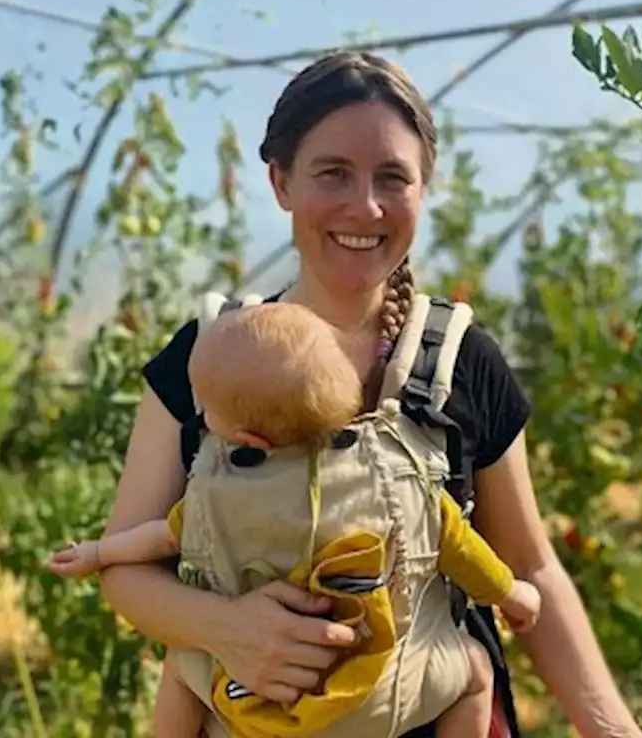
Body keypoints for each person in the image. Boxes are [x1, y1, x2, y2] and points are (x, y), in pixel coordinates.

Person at [95, 50, 642, 738]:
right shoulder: (209, 354)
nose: (367, 206)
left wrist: (614, 730)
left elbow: (529, 565)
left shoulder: (459, 359)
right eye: (333, 173)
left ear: (423, 189)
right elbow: (125, 565)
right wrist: (226, 627)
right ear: (280, 181)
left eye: (393, 177)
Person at [48, 298, 543, 736]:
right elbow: (463, 552)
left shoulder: (213, 500)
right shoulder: (396, 481)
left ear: (249, 440)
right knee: (476, 673)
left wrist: (98, 552)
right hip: (379, 702)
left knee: (181, 667)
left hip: (257, 703)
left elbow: (157, 539)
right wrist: (511, 595)